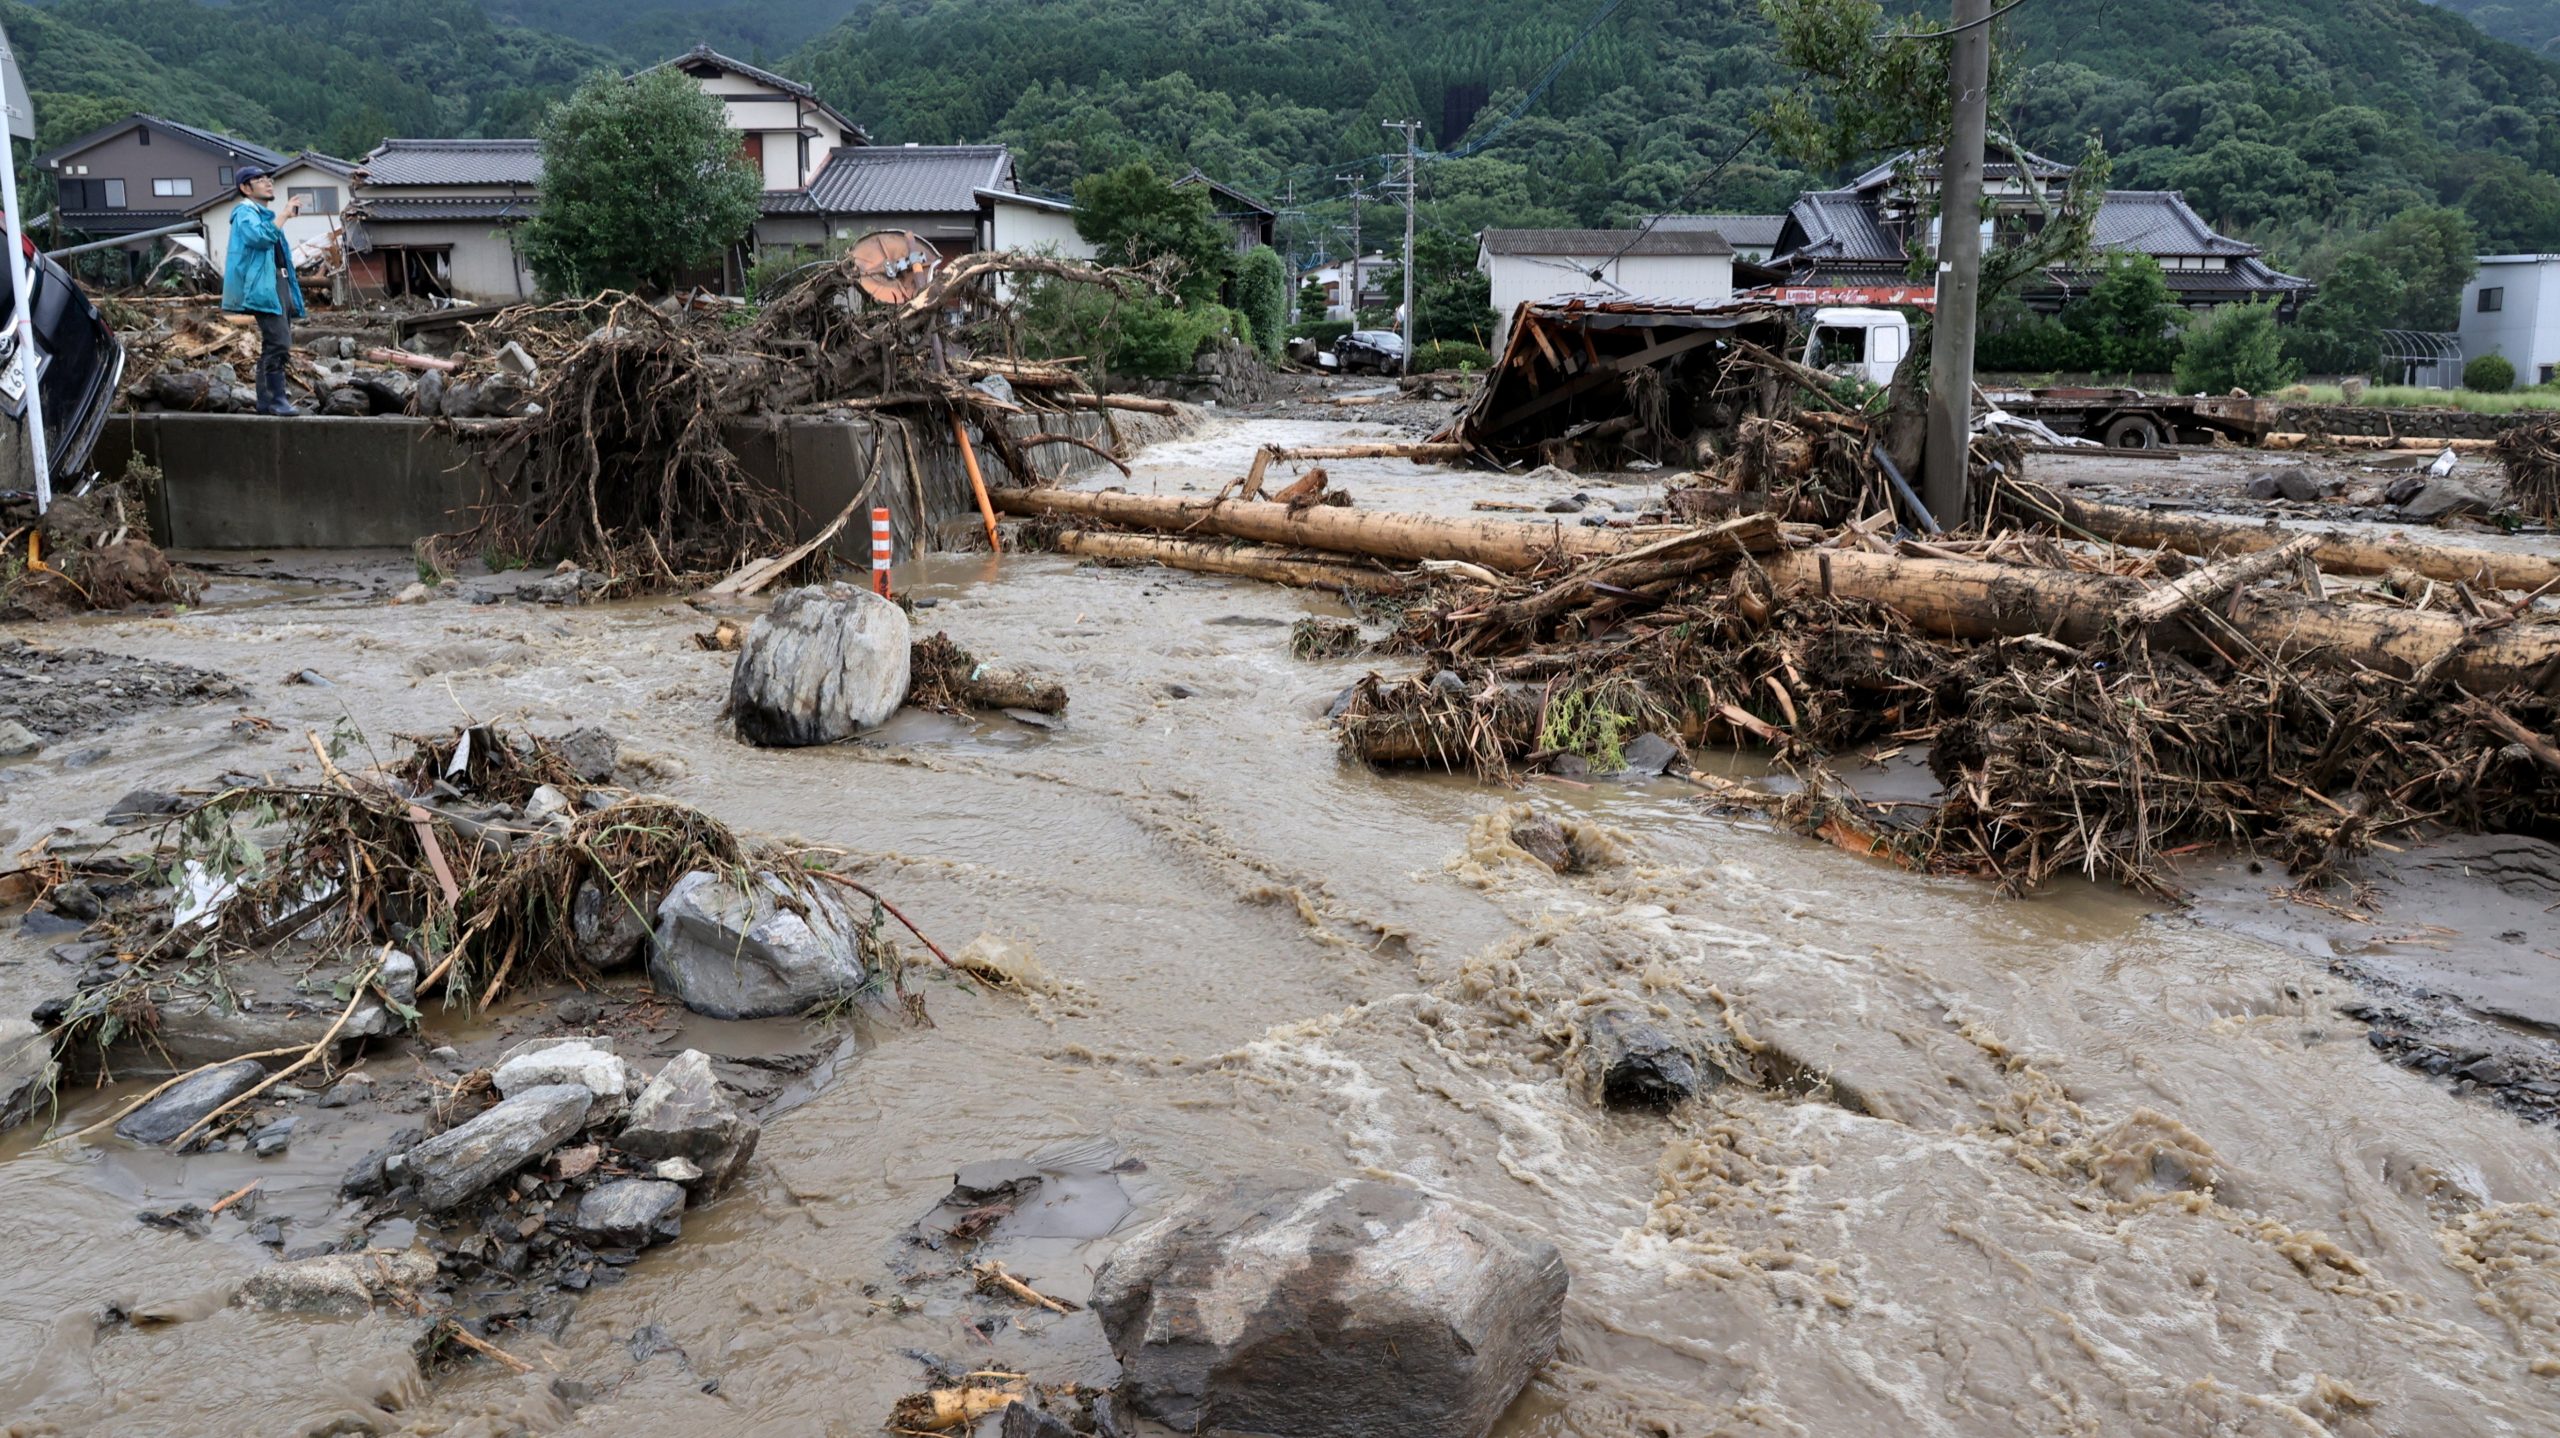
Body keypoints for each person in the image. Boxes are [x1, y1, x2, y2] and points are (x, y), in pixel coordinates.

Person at [220, 167, 307, 416]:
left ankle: (268, 401)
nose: (268, 183)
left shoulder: (263, 214)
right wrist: (284, 216)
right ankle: (275, 399)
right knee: (279, 342)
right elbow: (260, 238)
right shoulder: (244, 213)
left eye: (269, 179)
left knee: (275, 343)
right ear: (245, 188)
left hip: (278, 282)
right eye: (259, 180)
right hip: (263, 287)